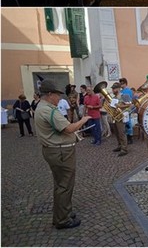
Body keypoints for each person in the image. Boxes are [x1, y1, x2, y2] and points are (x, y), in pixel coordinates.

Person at [34, 80, 91, 229]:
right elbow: (69, 128)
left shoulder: (42, 107)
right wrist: (83, 120)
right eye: (57, 95)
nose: (59, 98)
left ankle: (63, 211)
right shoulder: (48, 110)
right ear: (49, 94)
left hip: (54, 150)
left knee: (61, 184)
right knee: (64, 185)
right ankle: (62, 219)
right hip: (60, 152)